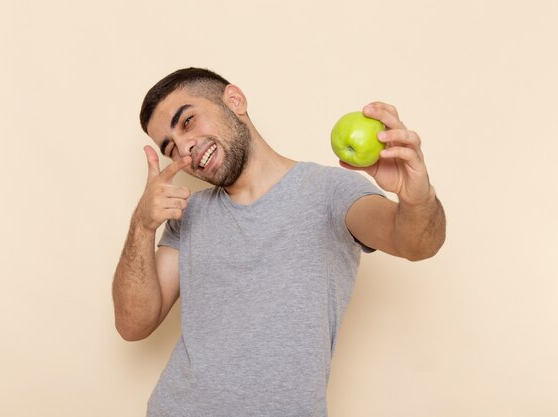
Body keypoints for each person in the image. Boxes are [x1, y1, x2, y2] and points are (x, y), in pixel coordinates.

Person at [112, 67, 446, 416]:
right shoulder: (188, 214)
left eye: (188, 122)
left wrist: (417, 200)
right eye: (170, 147)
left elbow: (415, 244)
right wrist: (142, 226)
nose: (185, 147)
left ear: (235, 100)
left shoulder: (329, 191)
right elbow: (133, 325)